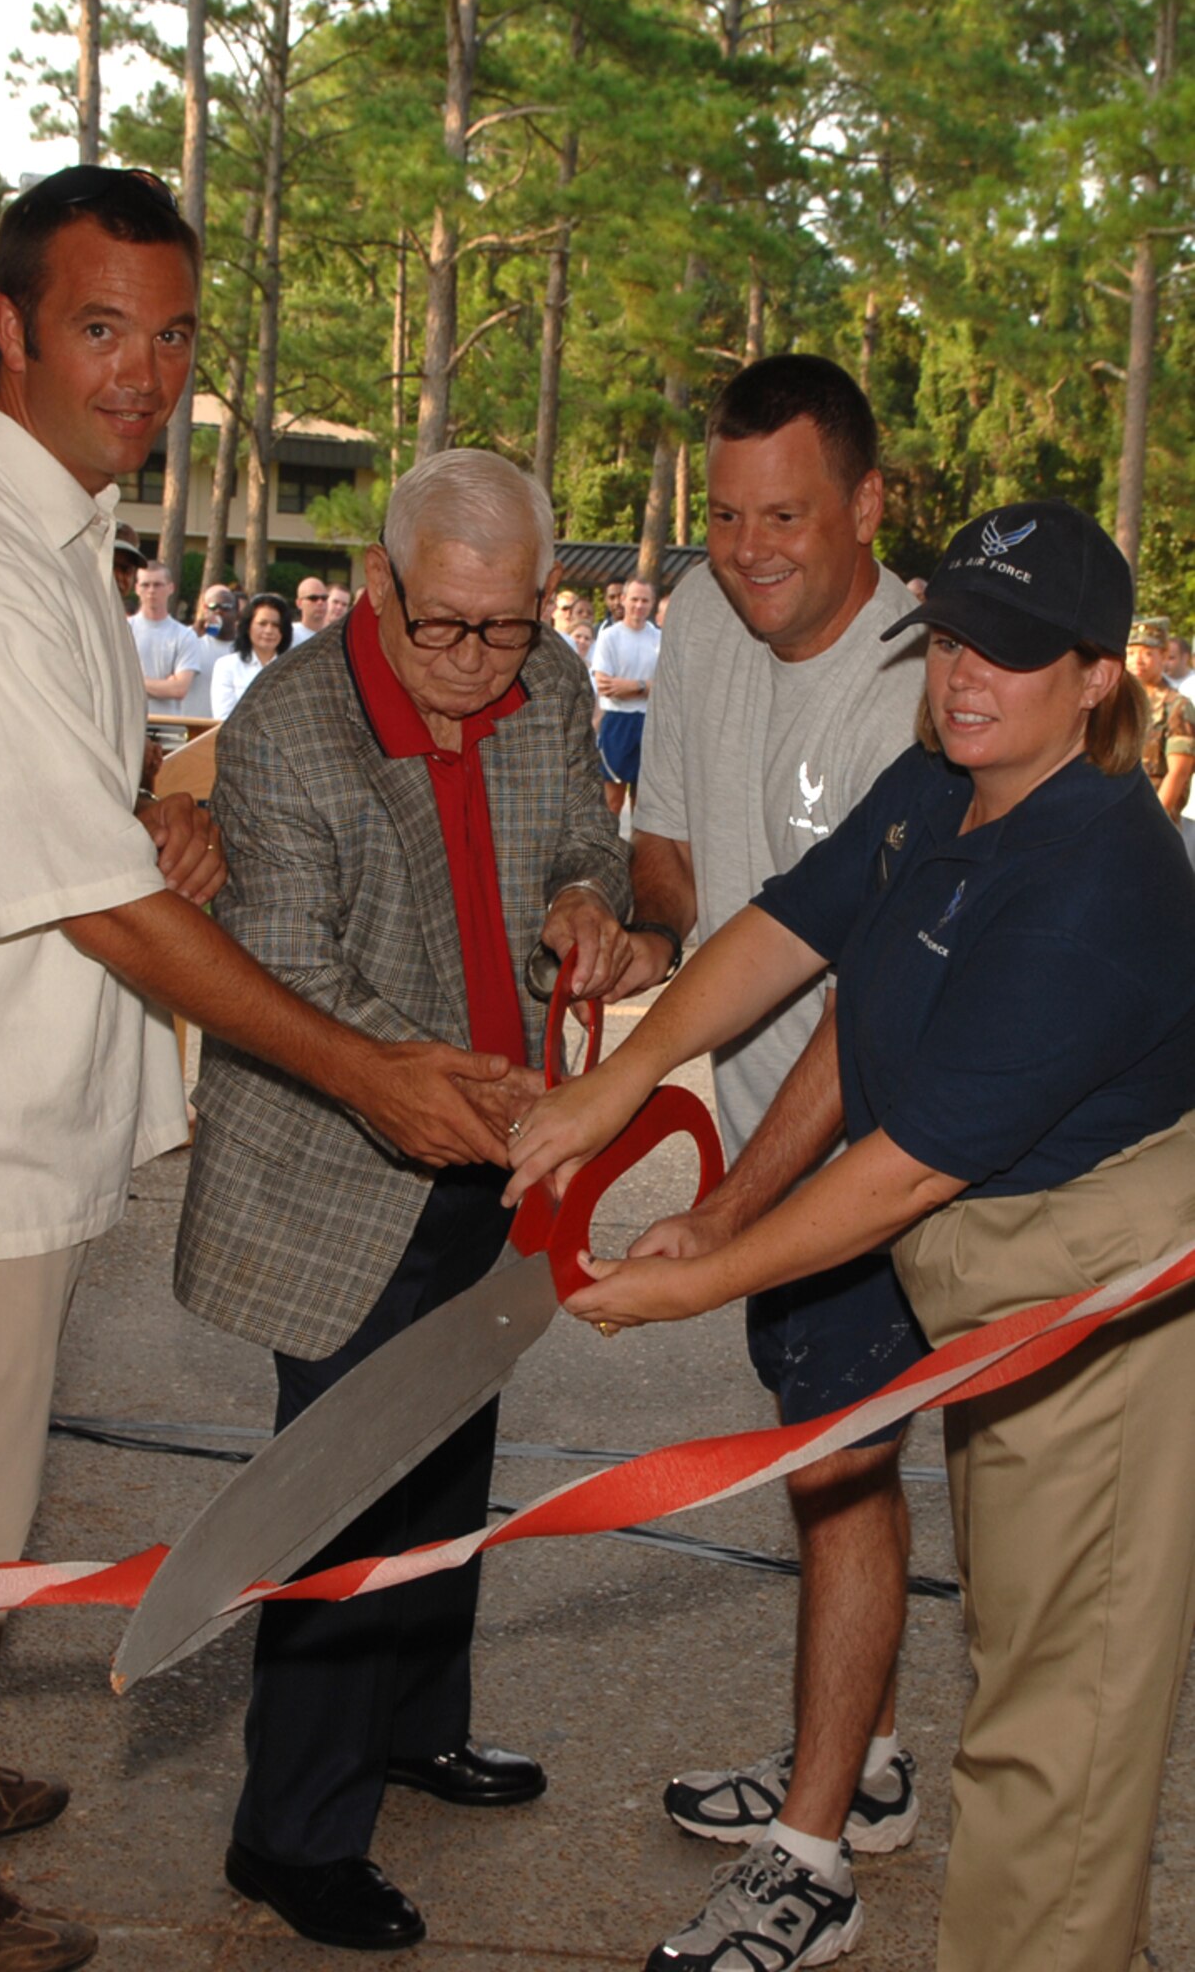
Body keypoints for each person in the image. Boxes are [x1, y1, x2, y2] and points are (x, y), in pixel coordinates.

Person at [0, 164, 522, 1972]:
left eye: (166, 336)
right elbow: (90, 909)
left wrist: (160, 818)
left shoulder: (54, 529)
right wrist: (367, 1070)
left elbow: (64, 831)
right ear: (6, 327)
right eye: (97, 328)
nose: (141, 374)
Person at [508, 497, 1195, 1972]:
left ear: (1093, 679)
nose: (961, 679)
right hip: (1002, 1282)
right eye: (947, 641)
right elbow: (788, 936)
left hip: (1092, 1296)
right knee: (1028, 1658)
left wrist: (698, 1279)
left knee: (1056, 1725)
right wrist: (622, 1081)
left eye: (1006, 656)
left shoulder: (1098, 875)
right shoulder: (942, 787)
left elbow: (902, 1171)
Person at [173, 448, 633, 1954]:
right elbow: (288, 974)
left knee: (450, 1452)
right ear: (379, 582)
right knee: (337, 1493)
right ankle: (289, 1840)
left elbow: (586, 836)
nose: (475, 663)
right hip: (341, 1161)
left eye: (507, 627)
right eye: (443, 626)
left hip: (494, 1152)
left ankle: (421, 1726)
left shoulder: (546, 684)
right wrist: (446, 1080)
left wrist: (587, 900)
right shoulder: (289, 732)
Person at [606, 354, 927, 1941]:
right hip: (759, 1131)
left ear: (867, 505)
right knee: (826, 1456)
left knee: (845, 1461)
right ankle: (859, 1758)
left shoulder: (927, 679)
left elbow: (859, 993)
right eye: (725, 517)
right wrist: (615, 922)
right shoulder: (696, 619)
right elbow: (677, 858)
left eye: (785, 516)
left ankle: (810, 1860)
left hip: (876, 1148)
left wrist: (732, 1209)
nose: (747, 551)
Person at [593, 576, 660, 812]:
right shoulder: (610, 636)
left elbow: (667, 687)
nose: (639, 606)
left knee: (643, 804)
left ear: (652, 603)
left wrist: (634, 686)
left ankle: (638, 849)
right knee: (612, 800)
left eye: (644, 600)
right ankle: (608, 849)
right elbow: (606, 687)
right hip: (617, 722)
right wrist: (646, 687)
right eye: (634, 599)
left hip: (649, 722)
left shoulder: (659, 638)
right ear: (623, 600)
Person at [1126, 617, 1195, 823]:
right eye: (1131, 653)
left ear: (1164, 656)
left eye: (1147, 653)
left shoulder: (1177, 706)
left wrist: (1153, 822)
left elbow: (1178, 773)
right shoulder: (1114, 702)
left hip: (1153, 818)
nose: (1138, 660)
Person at [130, 559, 200, 713]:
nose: (151, 590)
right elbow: (113, 681)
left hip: (168, 727)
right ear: (136, 588)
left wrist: (131, 680)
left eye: (158, 584)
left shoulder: (185, 635)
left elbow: (179, 689)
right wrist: (164, 685)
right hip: (127, 722)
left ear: (171, 588)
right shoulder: (123, 629)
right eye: (145, 585)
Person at [210, 590, 293, 719]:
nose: (269, 630)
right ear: (248, 627)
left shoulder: (295, 669)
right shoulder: (227, 666)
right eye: (262, 624)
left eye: (276, 625)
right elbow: (223, 718)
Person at [184, 582, 240, 718]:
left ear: (237, 613)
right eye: (213, 606)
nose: (218, 611)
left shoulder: (245, 648)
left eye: (226, 607)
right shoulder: (192, 641)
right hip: (193, 724)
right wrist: (192, 634)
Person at [292, 573, 330, 643]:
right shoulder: (289, 635)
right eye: (313, 598)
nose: (320, 602)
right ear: (299, 603)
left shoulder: (335, 637)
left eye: (324, 598)